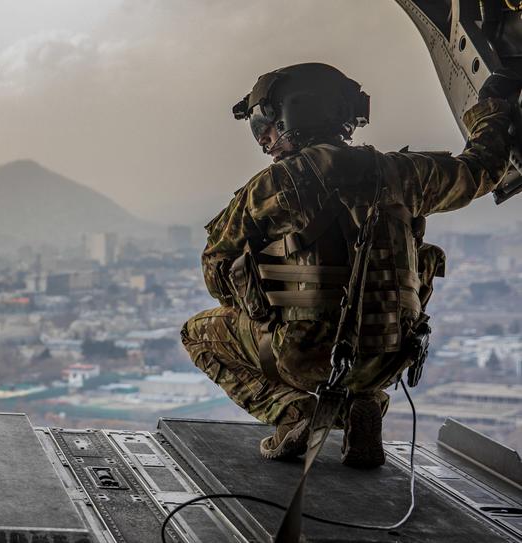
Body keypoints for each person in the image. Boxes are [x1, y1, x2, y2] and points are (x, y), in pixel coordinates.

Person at [181, 62, 517, 468]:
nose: (264, 140)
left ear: (293, 115)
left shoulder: (270, 188)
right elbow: (482, 168)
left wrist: (266, 298)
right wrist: (493, 107)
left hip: (304, 356)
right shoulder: (404, 173)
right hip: (389, 356)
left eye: (265, 125)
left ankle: (295, 412)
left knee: (197, 334)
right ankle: (365, 404)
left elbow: (216, 272)